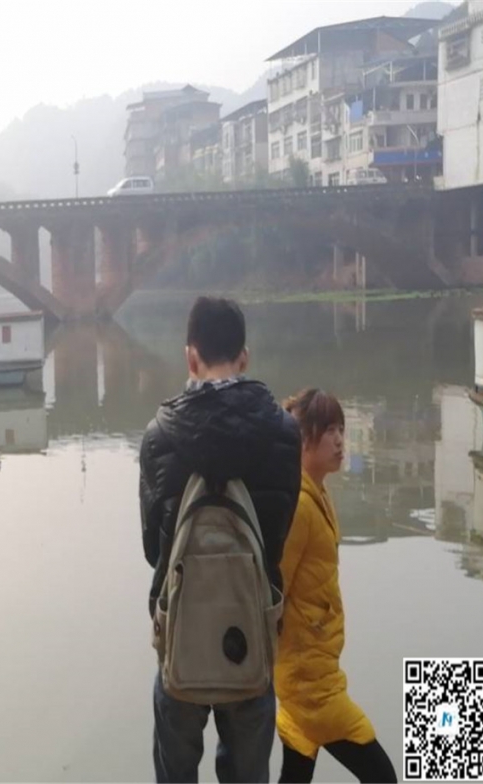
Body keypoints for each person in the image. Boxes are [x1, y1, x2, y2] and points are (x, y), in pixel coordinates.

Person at [139, 296, 302, 783]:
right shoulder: (284, 433)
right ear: (244, 357)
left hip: (181, 633)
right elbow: (277, 536)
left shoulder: (158, 436)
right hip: (252, 628)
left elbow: (153, 549)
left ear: (191, 357)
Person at [275, 388, 397, 783]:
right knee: (381, 775)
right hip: (309, 683)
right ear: (303, 439)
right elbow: (275, 589)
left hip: (314, 667)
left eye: (341, 429)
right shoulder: (299, 505)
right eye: (329, 431)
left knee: (296, 775)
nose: (341, 440)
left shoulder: (318, 493)